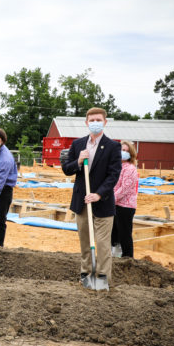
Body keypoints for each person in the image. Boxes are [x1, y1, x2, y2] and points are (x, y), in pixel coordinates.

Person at [61, 107, 122, 287]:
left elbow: (114, 174)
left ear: (104, 122)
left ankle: (103, 279)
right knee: (85, 244)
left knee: (103, 245)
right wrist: (78, 161)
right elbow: (66, 169)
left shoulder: (113, 146)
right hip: (81, 202)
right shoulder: (78, 144)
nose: (95, 123)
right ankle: (86, 276)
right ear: (86, 122)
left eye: (98, 120)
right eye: (92, 120)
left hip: (102, 203)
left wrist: (99, 194)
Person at [111, 140, 139, 258]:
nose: (123, 153)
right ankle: (115, 257)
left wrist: (109, 200)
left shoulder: (130, 169)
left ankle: (128, 258)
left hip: (125, 206)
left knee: (125, 234)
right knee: (114, 234)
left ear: (130, 154)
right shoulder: (116, 166)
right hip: (115, 205)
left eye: (126, 151)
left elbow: (124, 189)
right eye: (122, 150)